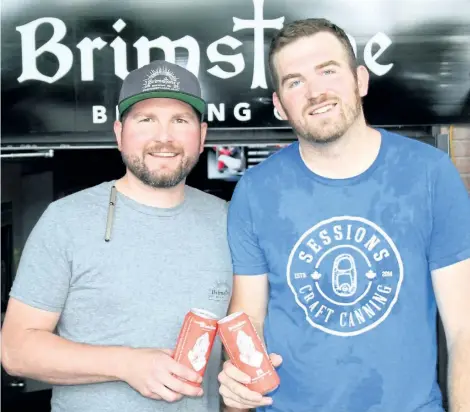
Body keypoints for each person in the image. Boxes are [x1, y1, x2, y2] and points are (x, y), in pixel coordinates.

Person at [218, 18, 470, 412]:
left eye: (328, 71)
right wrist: (236, 387)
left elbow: (464, 328)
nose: (316, 92)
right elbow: (249, 317)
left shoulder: (430, 174)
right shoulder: (254, 190)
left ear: (361, 80)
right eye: (295, 81)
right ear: (281, 104)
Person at [1, 60, 233, 412]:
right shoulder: (67, 220)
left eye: (180, 121)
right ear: (119, 132)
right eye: (146, 120)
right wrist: (126, 364)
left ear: (201, 136)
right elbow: (16, 350)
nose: (164, 137)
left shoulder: (230, 222)